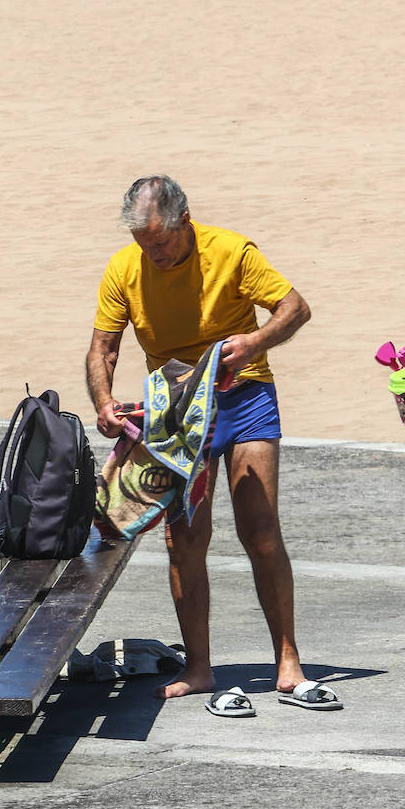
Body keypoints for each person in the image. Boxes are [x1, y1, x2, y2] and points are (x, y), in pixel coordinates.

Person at [86, 176, 317, 702]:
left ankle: (288, 660)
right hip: (174, 410)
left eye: (161, 243)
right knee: (184, 540)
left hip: (244, 397)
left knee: (259, 531)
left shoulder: (232, 251)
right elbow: (103, 348)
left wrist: (255, 341)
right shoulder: (125, 268)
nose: (154, 254)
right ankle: (199, 668)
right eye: (145, 244)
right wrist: (104, 402)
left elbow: (296, 309)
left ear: (184, 224)